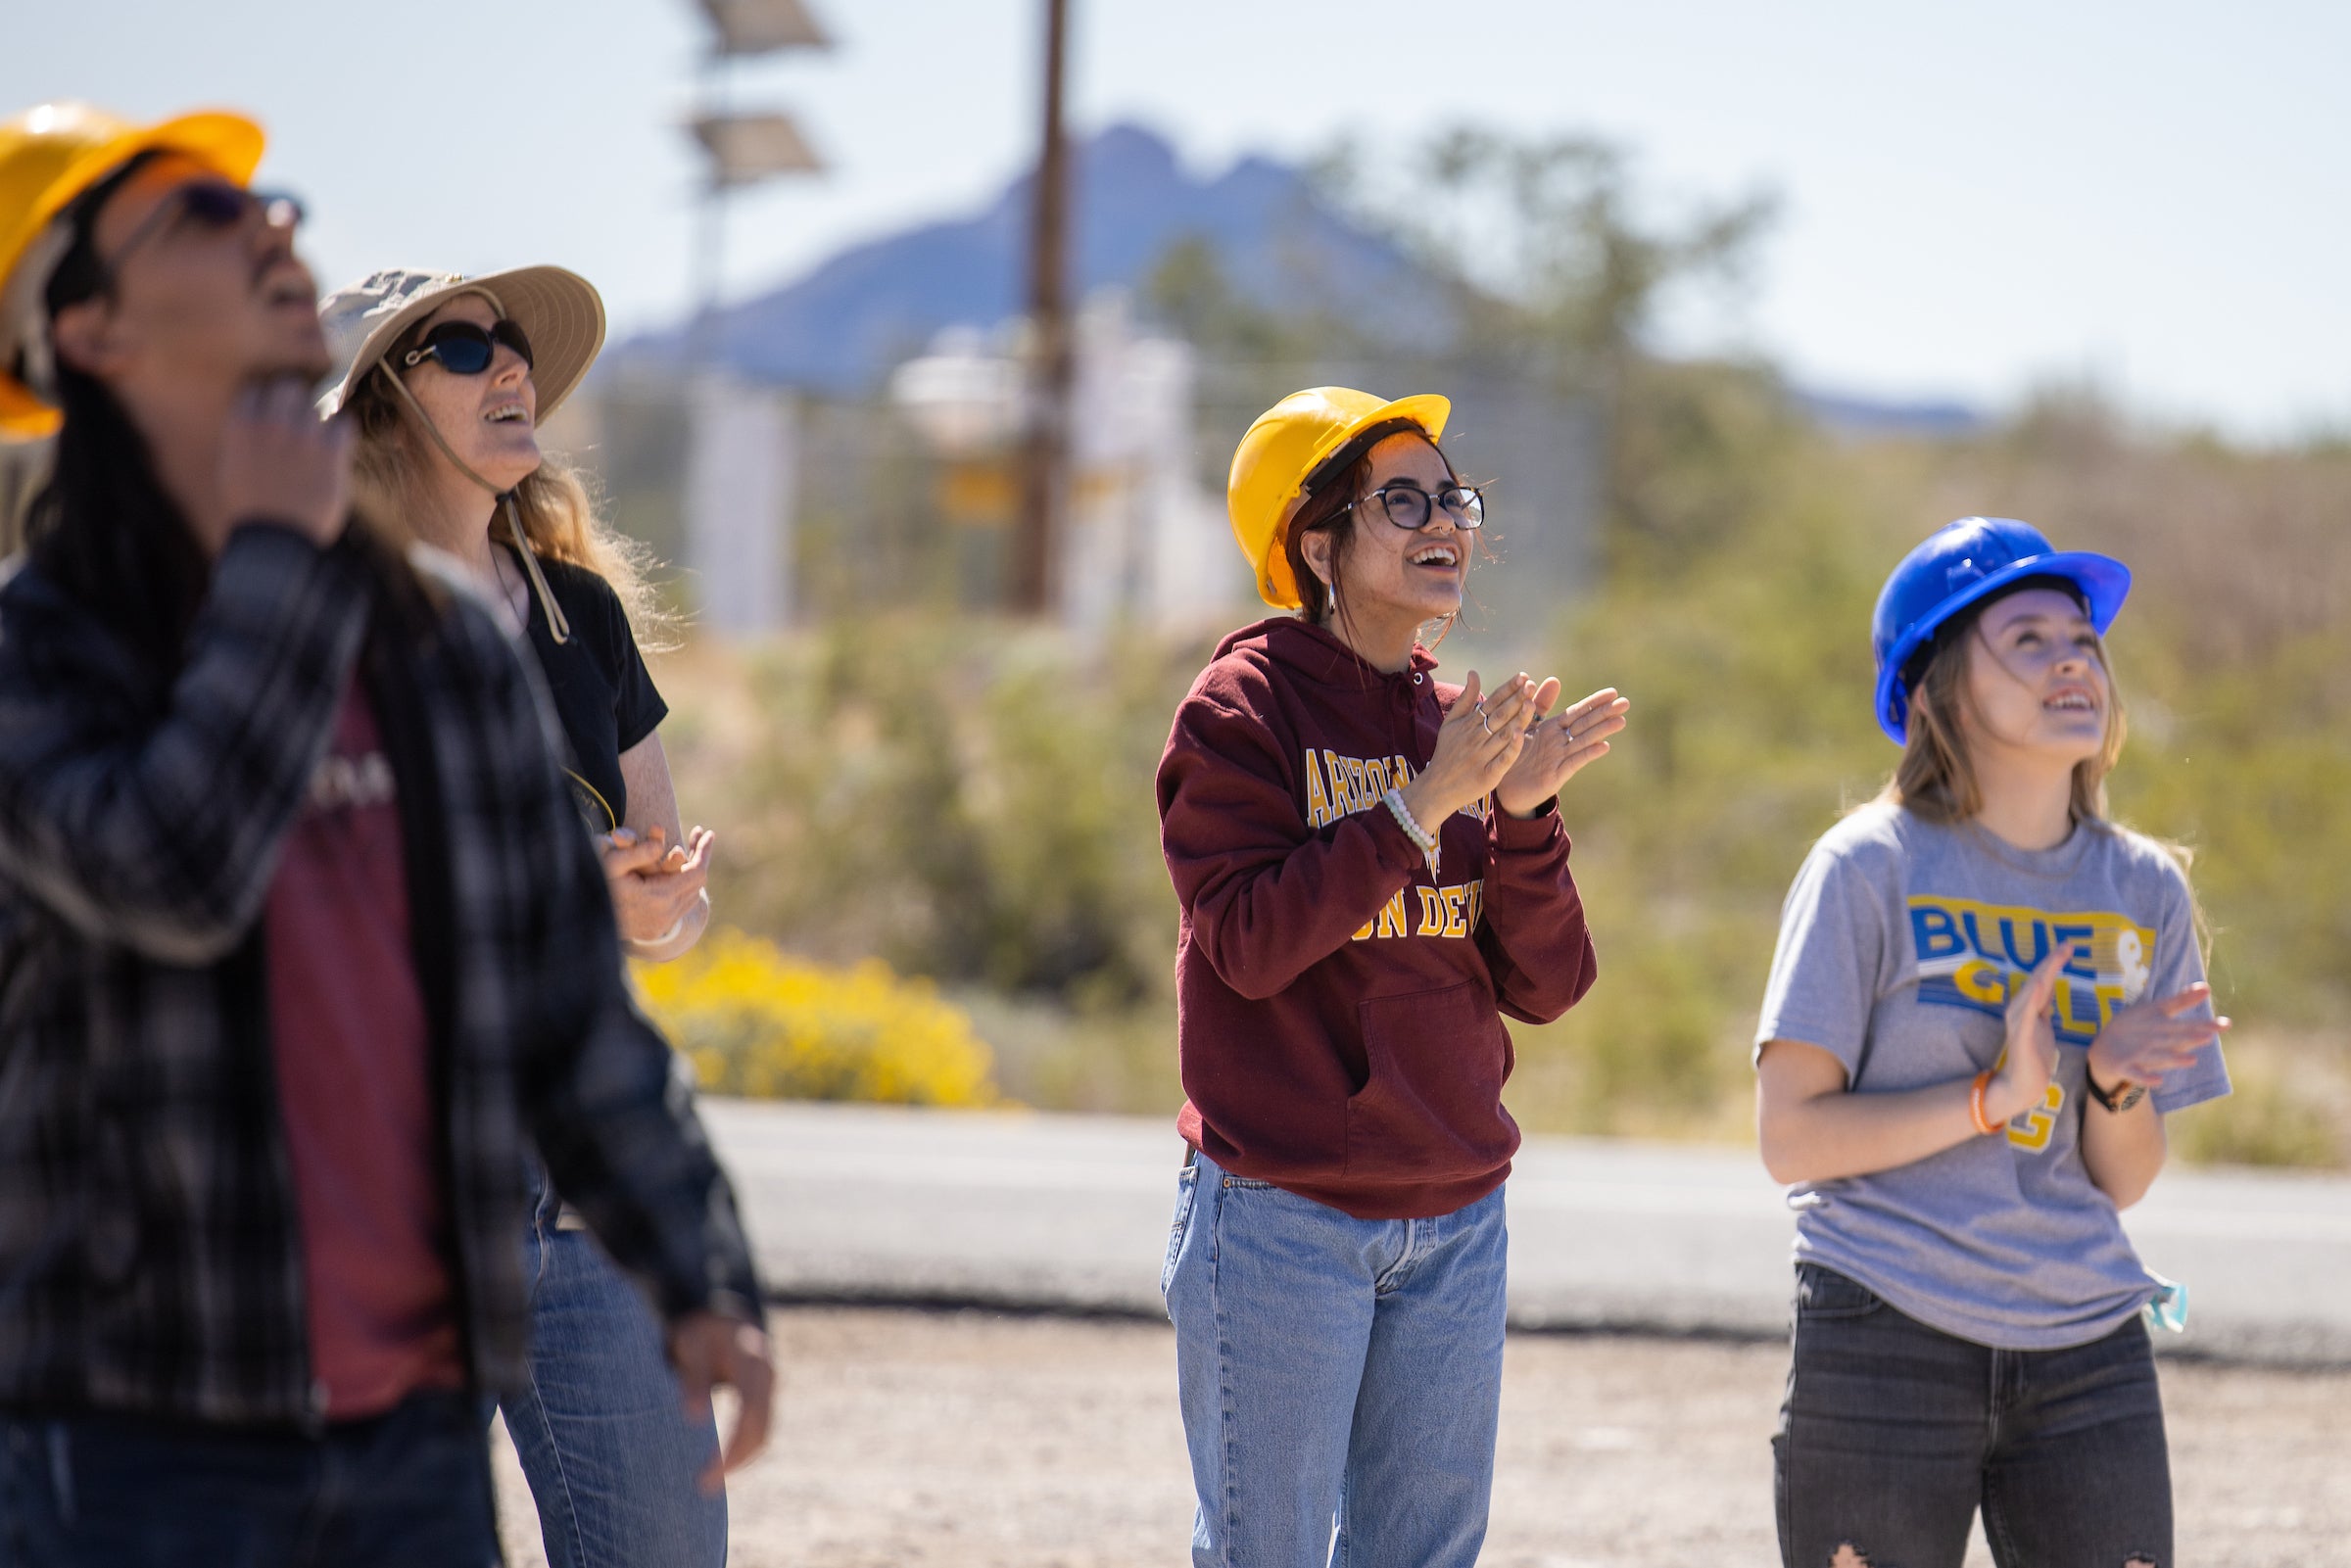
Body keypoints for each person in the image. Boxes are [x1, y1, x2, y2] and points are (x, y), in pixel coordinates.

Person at [0, 102, 772, 1566]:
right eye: (203, 219)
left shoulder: (457, 641)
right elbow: (176, 884)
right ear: (89, 331)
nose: (273, 229)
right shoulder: (50, 647)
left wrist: (686, 1238)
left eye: (265, 202)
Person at [1155, 387, 1629, 1568]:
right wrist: (1420, 804)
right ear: (1317, 545)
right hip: (1280, 1214)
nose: (1447, 522)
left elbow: (1552, 982)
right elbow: (1251, 942)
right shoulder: (1241, 709)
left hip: (1458, 1211)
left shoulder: (1460, 723)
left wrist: (1522, 815)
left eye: (1454, 496)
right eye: (1402, 499)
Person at [317, 264, 721, 1568]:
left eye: (513, 347)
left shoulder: (578, 613)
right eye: (461, 346)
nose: (510, 369)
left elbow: (655, 907)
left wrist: (664, 905)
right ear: (378, 408)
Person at [1754, 516, 2231, 1568]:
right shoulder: (1866, 866)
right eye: (2028, 638)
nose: (2072, 657)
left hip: (2089, 1348)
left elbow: (2128, 1179)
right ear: (1934, 690)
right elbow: (1791, 1140)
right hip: (1883, 1324)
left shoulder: (2143, 886)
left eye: (2082, 639)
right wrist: (1990, 1095)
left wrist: (2107, 1080)